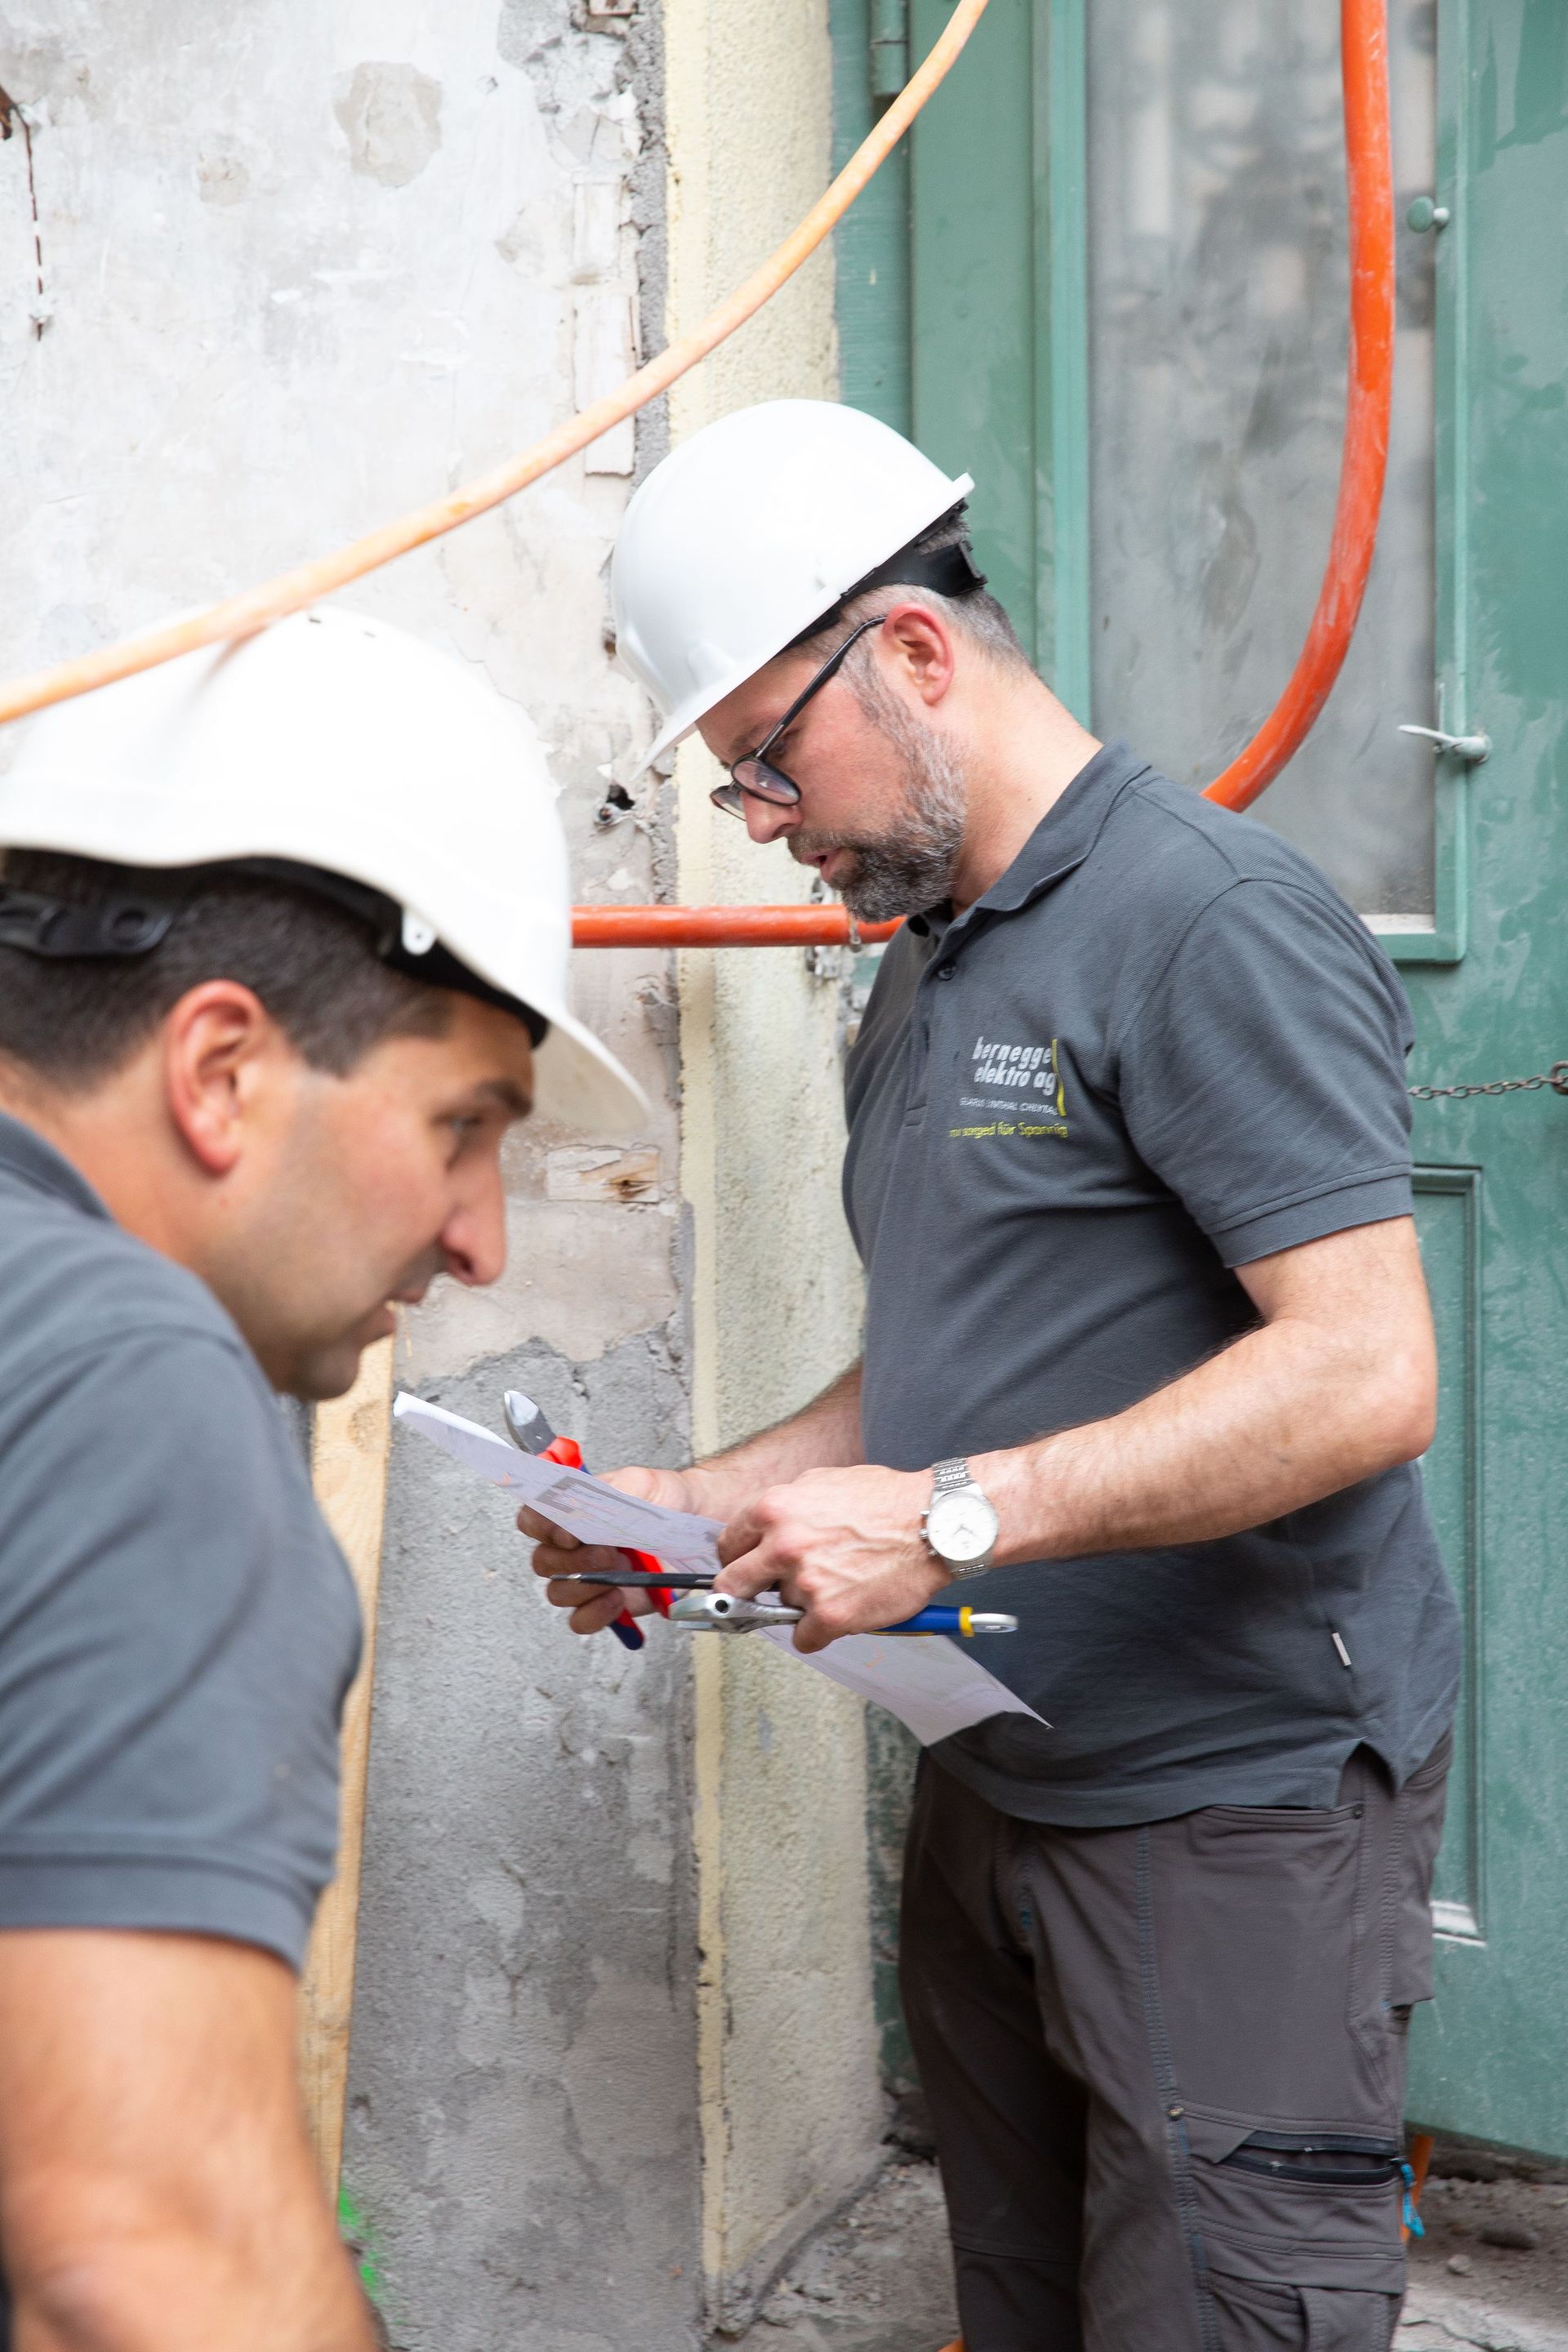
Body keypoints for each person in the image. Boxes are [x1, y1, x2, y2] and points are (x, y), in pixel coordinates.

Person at [524, 400, 1461, 2352]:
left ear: (916, 654)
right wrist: (688, 1509)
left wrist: (950, 1525)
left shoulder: (1208, 922)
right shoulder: (930, 963)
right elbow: (959, 1363)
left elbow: (1365, 1373)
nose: (758, 820)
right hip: (999, 1788)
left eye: (767, 760)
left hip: (1230, 1811)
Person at [0, 608, 642, 2352]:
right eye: (463, 1126)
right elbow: (158, 2261)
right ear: (222, 1070)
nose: (482, 1242)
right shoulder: (122, 1380)